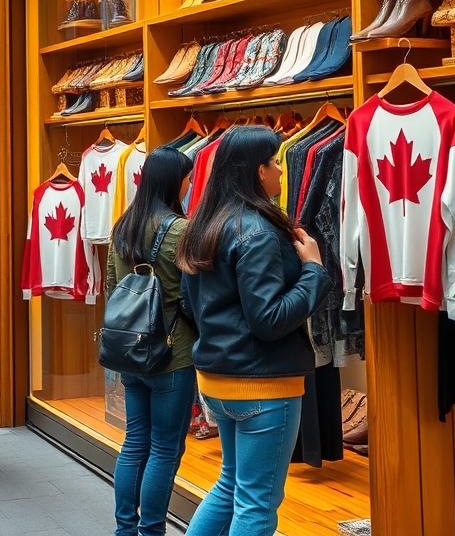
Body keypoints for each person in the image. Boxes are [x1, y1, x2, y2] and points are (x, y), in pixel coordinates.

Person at [179, 126, 330, 536]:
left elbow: (191, 305)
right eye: (275, 163)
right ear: (258, 171)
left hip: (218, 378)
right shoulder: (259, 231)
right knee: (257, 502)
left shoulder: (205, 224)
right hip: (262, 385)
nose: (281, 171)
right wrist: (313, 271)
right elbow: (269, 319)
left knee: (231, 485)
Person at [106, 147, 196, 536]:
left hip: (130, 351)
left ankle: (126, 529)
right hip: (172, 352)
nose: (190, 183)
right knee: (165, 448)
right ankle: (151, 530)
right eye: (187, 177)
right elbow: (194, 296)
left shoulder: (124, 224)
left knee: (135, 441)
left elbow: (112, 286)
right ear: (174, 181)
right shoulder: (180, 229)